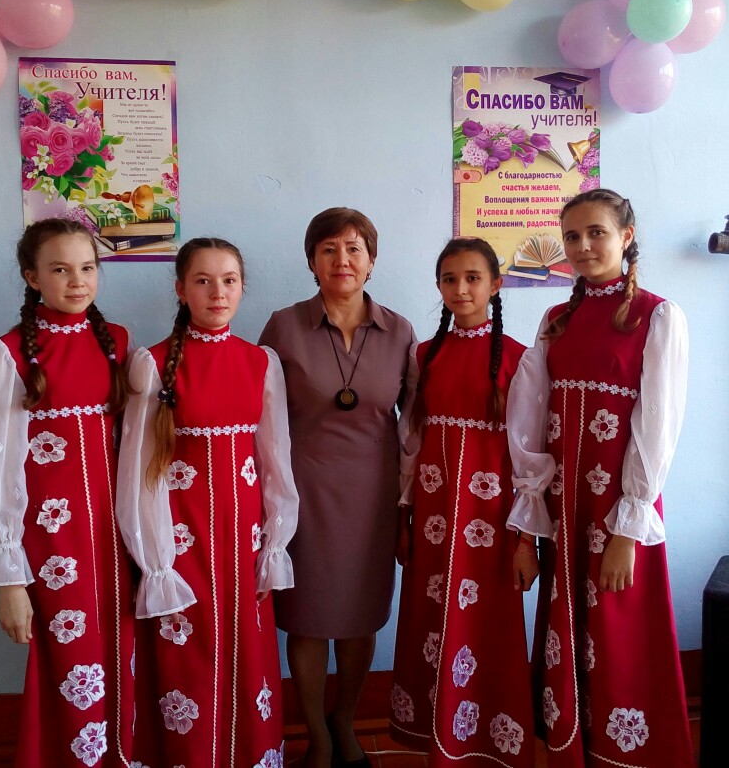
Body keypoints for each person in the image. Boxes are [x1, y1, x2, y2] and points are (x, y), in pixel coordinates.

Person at [507, 188, 692, 766]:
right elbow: (532, 418)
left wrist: (627, 529)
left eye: (597, 233)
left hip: (614, 509)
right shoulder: (556, 319)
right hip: (565, 507)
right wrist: (531, 517)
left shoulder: (656, 316)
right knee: (568, 622)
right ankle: (572, 747)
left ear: (626, 237)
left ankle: (624, 753)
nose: (583, 246)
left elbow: (657, 427)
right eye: (572, 236)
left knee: (617, 627)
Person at [116, 237, 297, 767]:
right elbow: (137, 471)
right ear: (181, 290)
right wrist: (156, 561)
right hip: (179, 542)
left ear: (242, 288)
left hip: (244, 541)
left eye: (229, 280)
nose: (218, 292)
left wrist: (274, 543)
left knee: (247, 653)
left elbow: (275, 460)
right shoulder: (151, 364)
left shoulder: (261, 362)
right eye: (203, 281)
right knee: (186, 661)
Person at [0, 217, 136, 767]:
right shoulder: (8, 354)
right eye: (60, 270)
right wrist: (10, 579)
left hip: (117, 535)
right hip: (53, 542)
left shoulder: (118, 343)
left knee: (125, 651)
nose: (77, 281)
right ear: (32, 277)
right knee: (72, 660)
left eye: (87, 268)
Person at [259, 208, 415, 768]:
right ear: (311, 261)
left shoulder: (399, 331)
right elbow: (259, 417)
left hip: (373, 501)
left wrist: (409, 510)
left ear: (371, 261)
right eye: (328, 249)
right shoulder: (283, 326)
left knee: (360, 619)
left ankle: (343, 722)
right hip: (300, 497)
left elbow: (414, 427)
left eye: (354, 248)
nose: (341, 260)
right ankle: (316, 738)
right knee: (307, 619)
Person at [389, 237, 539, 765]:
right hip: (433, 517)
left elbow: (528, 455)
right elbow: (411, 442)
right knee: (431, 615)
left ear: (495, 285)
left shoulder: (521, 359)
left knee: (486, 622)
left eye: (473, 278)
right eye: (449, 279)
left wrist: (526, 539)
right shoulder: (424, 355)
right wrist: (404, 517)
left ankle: (485, 737)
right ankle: (438, 732)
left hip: (490, 521)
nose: (461, 288)